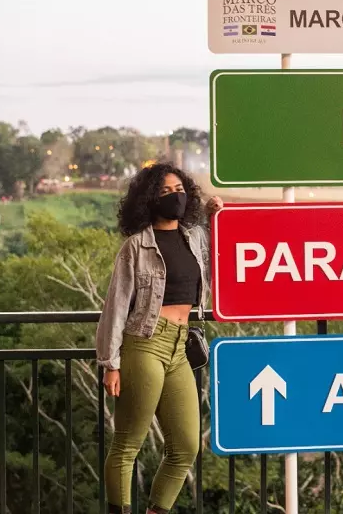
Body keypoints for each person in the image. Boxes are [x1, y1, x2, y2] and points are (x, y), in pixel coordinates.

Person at [95, 163, 223, 514]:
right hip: (144, 343)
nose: (174, 196)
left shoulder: (193, 238)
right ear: (150, 199)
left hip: (180, 346)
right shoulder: (137, 246)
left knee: (186, 446)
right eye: (165, 192)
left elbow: (215, 256)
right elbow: (116, 307)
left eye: (179, 190)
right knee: (127, 444)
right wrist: (110, 364)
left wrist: (213, 215)